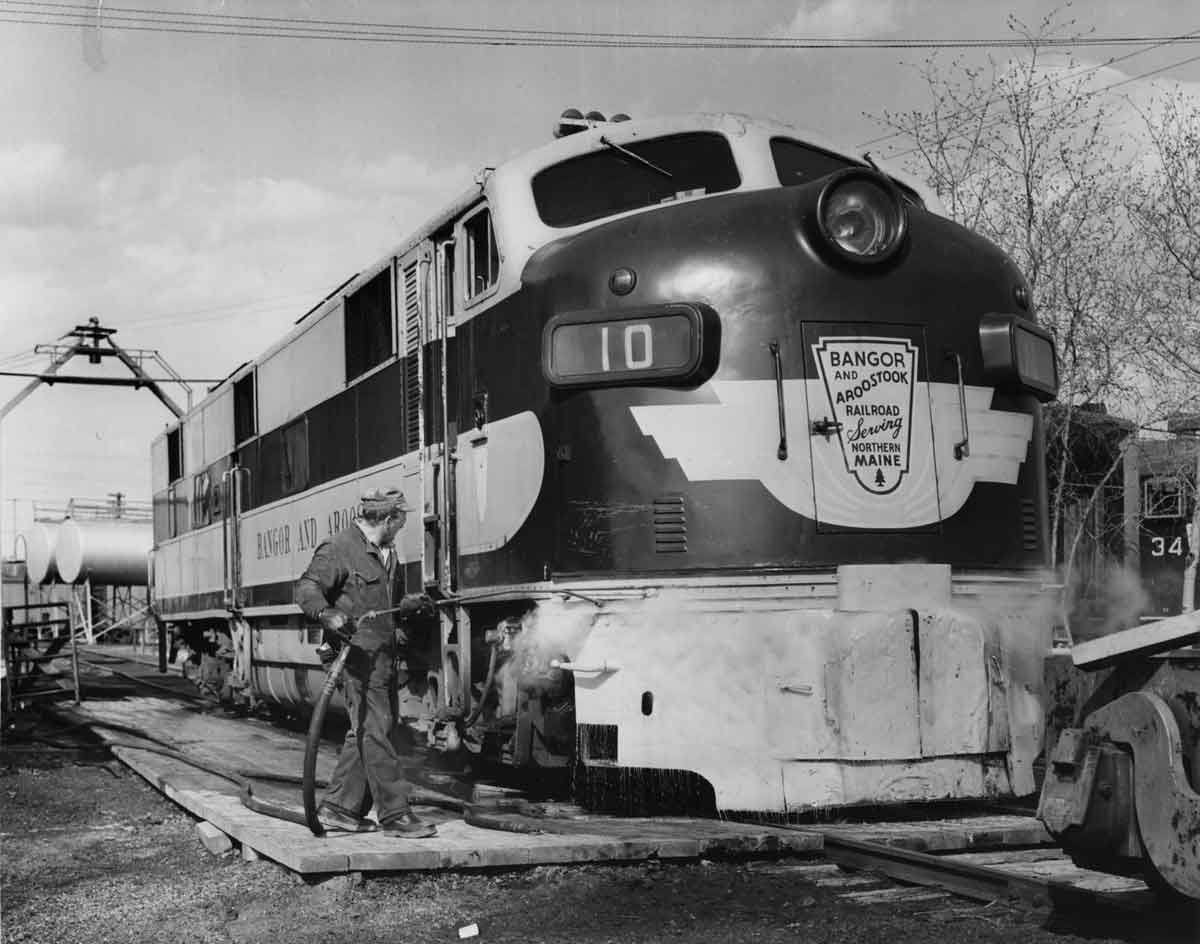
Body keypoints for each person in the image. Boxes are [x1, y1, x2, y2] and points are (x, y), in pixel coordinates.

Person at [295, 486, 437, 838]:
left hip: (382, 657)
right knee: (376, 728)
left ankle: (339, 808)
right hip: (353, 656)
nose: (401, 528)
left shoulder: (387, 552)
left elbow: (386, 602)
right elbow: (306, 588)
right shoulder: (339, 547)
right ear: (388, 519)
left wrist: (407, 609)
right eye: (400, 522)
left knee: (368, 727)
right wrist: (325, 613)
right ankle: (395, 814)